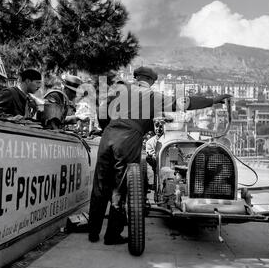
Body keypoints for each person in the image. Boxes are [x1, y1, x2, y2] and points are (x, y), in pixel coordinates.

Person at [88, 66, 232, 245]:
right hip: (128, 139)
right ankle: (112, 235)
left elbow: (102, 112)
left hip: (108, 135)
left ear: (136, 77)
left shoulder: (119, 91)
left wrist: (108, 128)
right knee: (120, 186)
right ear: (151, 81)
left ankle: (93, 232)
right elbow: (184, 103)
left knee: (100, 184)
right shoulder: (152, 96)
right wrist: (212, 100)